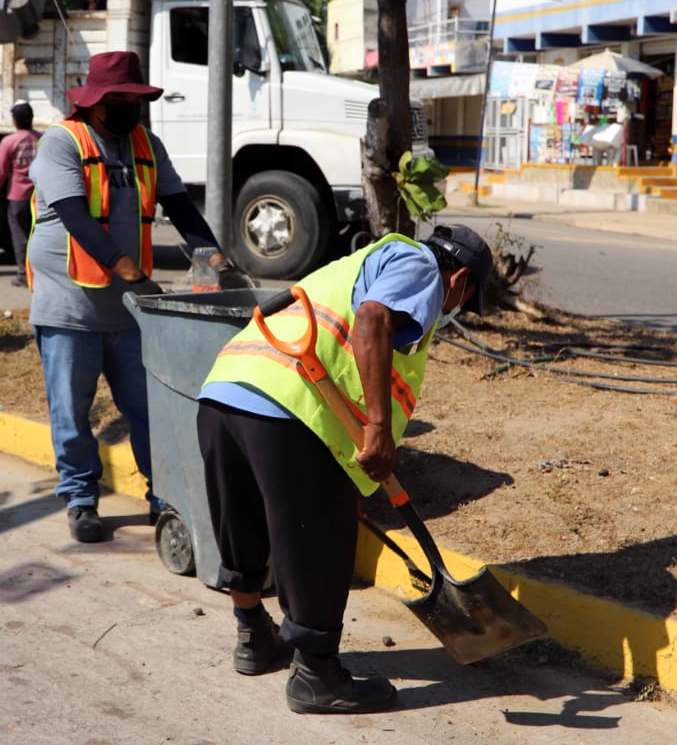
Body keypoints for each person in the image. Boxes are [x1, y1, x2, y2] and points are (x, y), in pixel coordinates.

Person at [196, 224, 493, 714]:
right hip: (291, 411)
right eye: (464, 297)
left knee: (240, 519)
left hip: (224, 392)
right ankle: (316, 676)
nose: (451, 307)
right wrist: (378, 426)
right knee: (317, 538)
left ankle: (254, 637)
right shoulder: (420, 266)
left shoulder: (359, 261)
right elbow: (372, 320)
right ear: (459, 281)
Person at [28, 50, 247, 544]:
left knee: (148, 408)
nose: (132, 110)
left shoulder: (146, 143)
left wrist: (218, 261)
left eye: (137, 99)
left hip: (128, 309)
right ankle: (81, 499)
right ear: (97, 102)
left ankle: (163, 494)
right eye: (122, 101)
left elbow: (180, 209)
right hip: (68, 304)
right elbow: (76, 218)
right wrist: (130, 271)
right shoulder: (62, 143)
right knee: (71, 408)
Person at [0, 99, 42, 287]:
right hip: (40, 196)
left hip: (18, 196)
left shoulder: (9, 141)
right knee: (40, 235)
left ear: (15, 120)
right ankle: (41, 274)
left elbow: (0, 172)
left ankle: (24, 274)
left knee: (20, 236)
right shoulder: (42, 139)